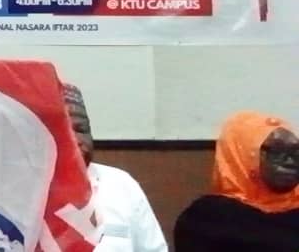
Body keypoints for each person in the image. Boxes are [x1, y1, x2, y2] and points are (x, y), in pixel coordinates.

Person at [174, 111, 299, 251]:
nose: (290, 161)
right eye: (277, 150)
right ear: (242, 155)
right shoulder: (206, 219)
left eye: (296, 151)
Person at [64, 84, 168, 252]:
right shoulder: (25, 191)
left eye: (82, 130)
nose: (77, 140)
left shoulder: (120, 184)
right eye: (65, 131)